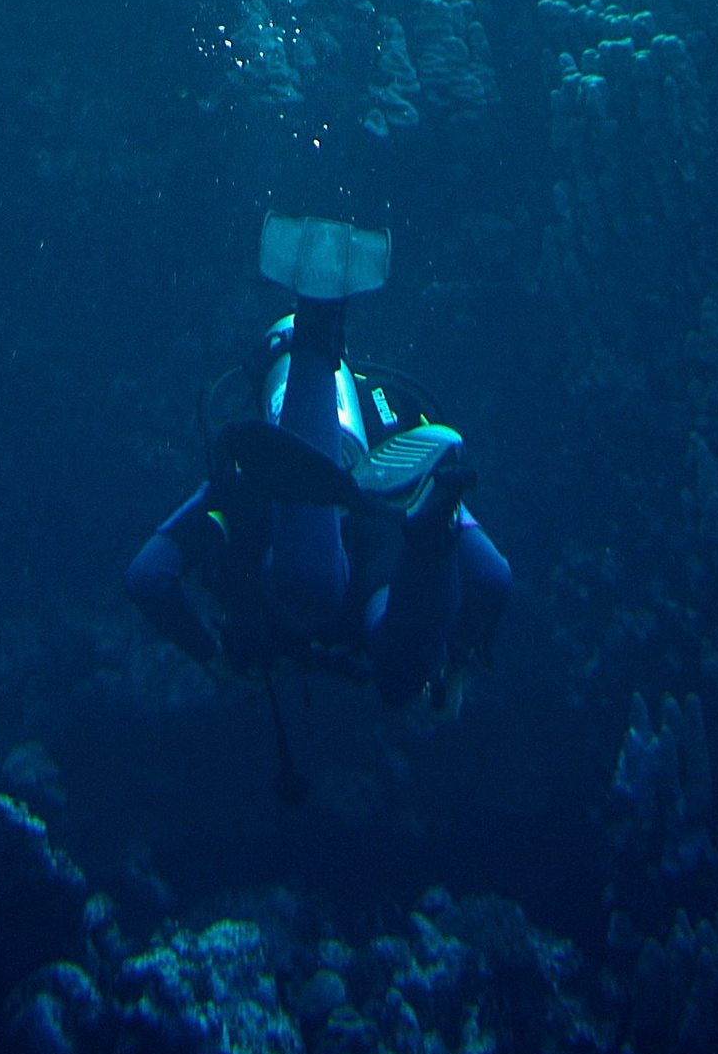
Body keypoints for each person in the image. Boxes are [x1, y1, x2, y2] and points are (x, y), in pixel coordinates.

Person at [126, 214, 511, 722]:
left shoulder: (243, 472)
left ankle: (313, 337)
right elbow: (493, 576)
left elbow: (148, 577)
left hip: (299, 564)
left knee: (307, 590)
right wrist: (457, 660)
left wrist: (215, 659)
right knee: (400, 671)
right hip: (388, 525)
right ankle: (431, 542)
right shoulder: (386, 421)